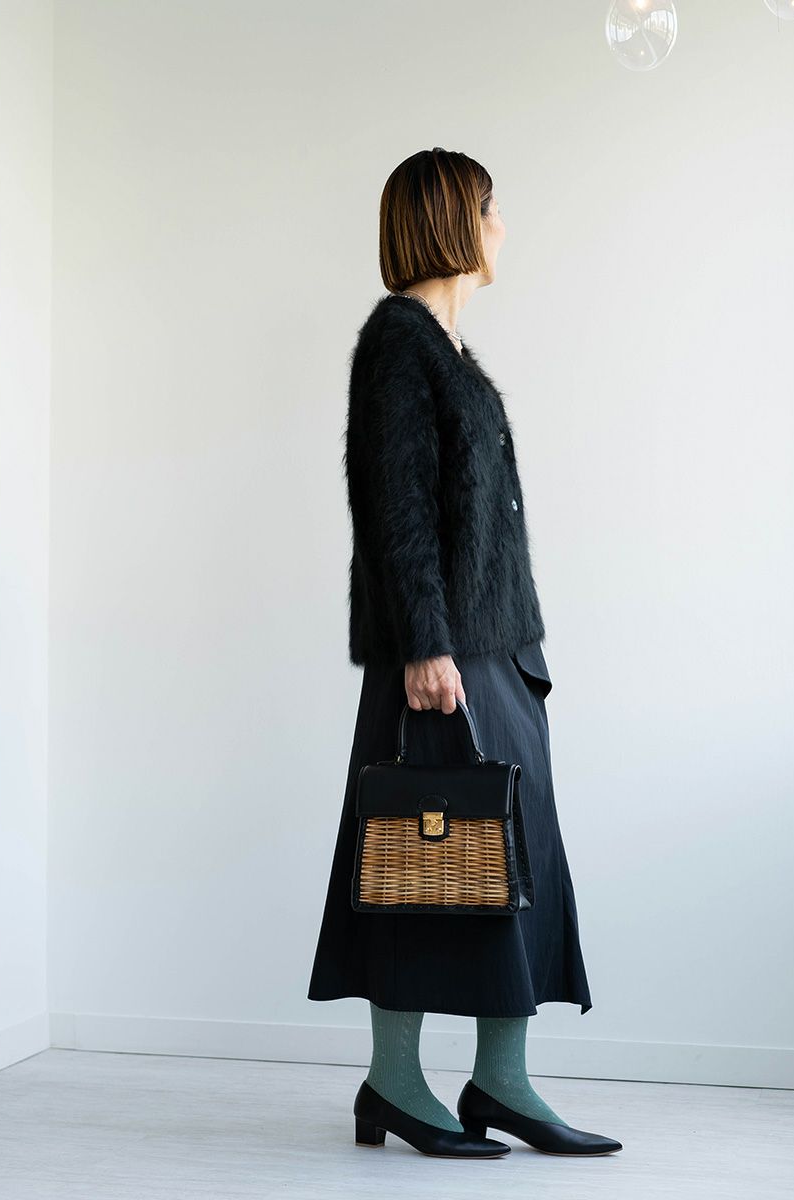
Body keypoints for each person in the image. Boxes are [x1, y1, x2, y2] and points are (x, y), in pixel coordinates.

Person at [306, 147, 621, 1159]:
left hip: (496, 649)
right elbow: (394, 505)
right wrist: (425, 646)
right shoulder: (398, 342)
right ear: (451, 222)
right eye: (490, 210)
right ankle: (395, 1082)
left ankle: (501, 1081)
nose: (500, 228)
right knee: (420, 860)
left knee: (512, 866)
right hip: (442, 657)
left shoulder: (447, 348)